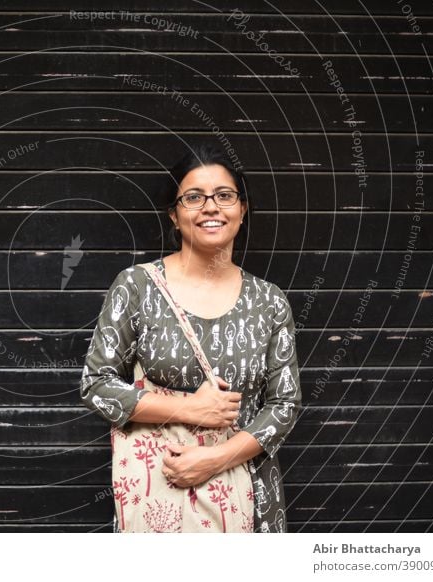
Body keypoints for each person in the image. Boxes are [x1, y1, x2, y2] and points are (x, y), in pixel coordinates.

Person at [80, 142, 302, 533]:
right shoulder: (137, 287)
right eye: (194, 197)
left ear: (242, 210)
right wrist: (190, 410)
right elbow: (96, 386)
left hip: (248, 493)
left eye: (225, 195)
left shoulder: (269, 301)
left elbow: (284, 405)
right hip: (160, 490)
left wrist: (217, 458)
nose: (211, 207)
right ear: (174, 214)